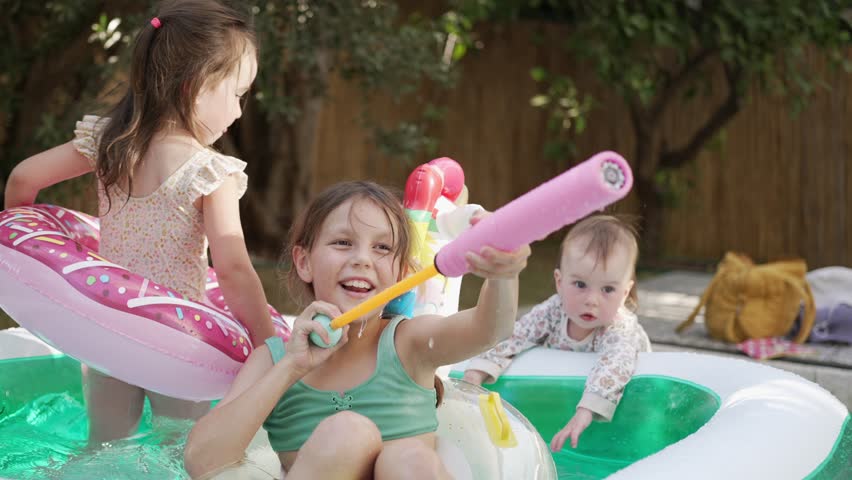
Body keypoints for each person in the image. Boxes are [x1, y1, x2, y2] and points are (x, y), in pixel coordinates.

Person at [3, 0, 276, 444]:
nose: (240, 112)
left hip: (107, 329)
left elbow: (22, 178)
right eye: (237, 94)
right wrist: (269, 344)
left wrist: (23, 260)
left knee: (102, 446)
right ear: (197, 87)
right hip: (178, 344)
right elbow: (233, 270)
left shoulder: (108, 142)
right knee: (179, 448)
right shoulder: (211, 172)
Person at [183, 180, 531, 479]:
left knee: (408, 458)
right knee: (349, 432)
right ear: (304, 262)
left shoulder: (409, 342)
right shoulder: (274, 360)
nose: (362, 259)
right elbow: (203, 461)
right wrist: (292, 367)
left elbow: (490, 330)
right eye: (343, 243)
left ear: (403, 275)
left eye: (382, 248)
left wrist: (503, 274)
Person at [463, 215, 651, 451]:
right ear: (559, 282)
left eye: (608, 289)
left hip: (624, 397)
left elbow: (615, 365)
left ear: (625, 292)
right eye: (580, 285)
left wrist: (585, 412)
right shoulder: (554, 309)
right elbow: (518, 335)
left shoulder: (619, 326)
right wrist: (478, 370)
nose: (592, 300)